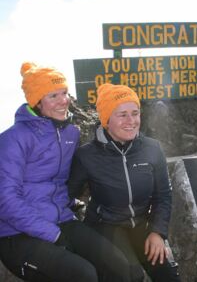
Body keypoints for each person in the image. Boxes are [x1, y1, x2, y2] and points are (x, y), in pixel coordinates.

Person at [0, 62, 133, 282]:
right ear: (37, 101)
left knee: (118, 265)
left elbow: (60, 182)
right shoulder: (12, 139)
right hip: (16, 233)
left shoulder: (69, 133)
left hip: (60, 219)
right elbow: (5, 200)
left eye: (64, 93)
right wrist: (52, 234)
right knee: (83, 274)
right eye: (53, 96)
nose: (63, 101)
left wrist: (70, 206)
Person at [68, 83, 181, 282]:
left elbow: (163, 195)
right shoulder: (87, 155)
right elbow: (67, 195)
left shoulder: (152, 148)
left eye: (135, 113)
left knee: (168, 274)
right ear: (106, 119)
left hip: (141, 223)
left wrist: (157, 233)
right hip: (106, 225)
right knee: (130, 274)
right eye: (122, 115)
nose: (131, 121)